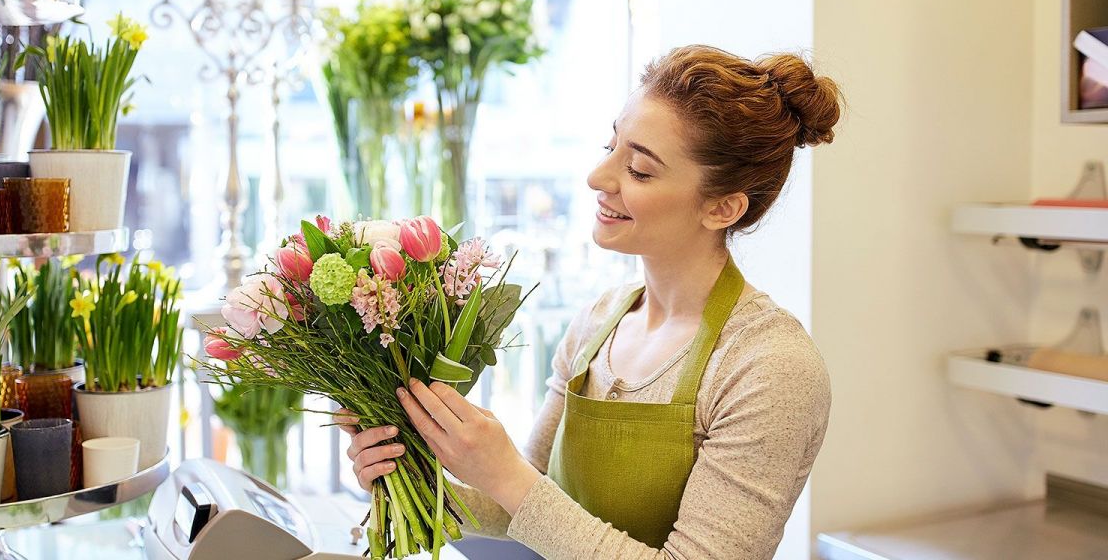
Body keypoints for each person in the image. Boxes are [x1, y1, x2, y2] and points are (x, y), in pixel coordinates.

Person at [339, 44, 842, 559]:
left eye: (640, 171)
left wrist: (504, 472)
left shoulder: (770, 367)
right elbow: (529, 509)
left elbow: (524, 491)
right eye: (611, 147)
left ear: (722, 207)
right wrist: (408, 481)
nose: (598, 179)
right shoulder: (599, 321)